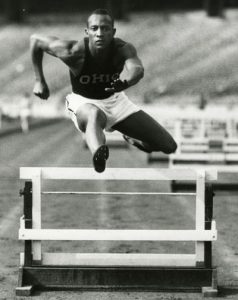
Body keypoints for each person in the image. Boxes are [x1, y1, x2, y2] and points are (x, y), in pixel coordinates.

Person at [30, 8, 177, 173]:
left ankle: (139, 142)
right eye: (94, 29)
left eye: (105, 28)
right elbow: (36, 40)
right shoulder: (73, 51)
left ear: (113, 32)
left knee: (169, 146)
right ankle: (99, 155)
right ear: (87, 32)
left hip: (115, 100)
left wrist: (126, 82)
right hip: (83, 102)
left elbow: (137, 69)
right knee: (94, 114)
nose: (99, 33)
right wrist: (39, 80)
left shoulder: (122, 49)